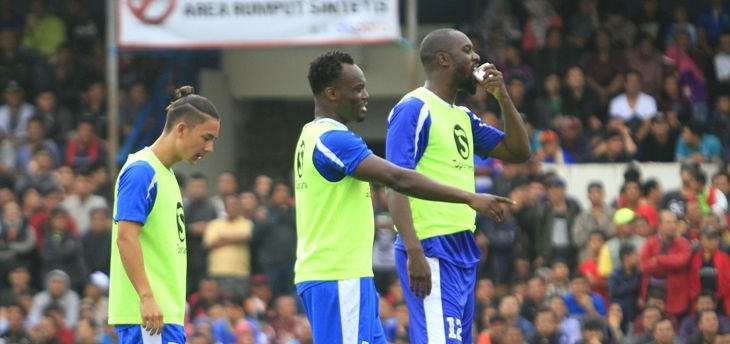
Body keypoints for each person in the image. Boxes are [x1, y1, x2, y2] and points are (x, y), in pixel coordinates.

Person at [294, 50, 514, 344]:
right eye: (357, 89)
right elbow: (398, 177)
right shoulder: (333, 139)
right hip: (337, 278)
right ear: (332, 93)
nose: (365, 95)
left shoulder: (310, 135)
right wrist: (469, 197)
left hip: (346, 276)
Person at [386, 28, 530, 344]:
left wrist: (502, 95)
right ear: (443, 59)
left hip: (462, 246)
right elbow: (394, 182)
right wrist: (414, 251)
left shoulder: (462, 116)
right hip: (430, 245)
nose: (477, 57)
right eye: (468, 50)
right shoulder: (414, 108)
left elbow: (519, 152)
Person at [108, 86, 220, 342]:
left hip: (165, 317)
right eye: (206, 137)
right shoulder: (141, 172)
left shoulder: (165, 174)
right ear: (181, 129)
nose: (210, 147)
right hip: (148, 320)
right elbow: (125, 238)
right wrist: (147, 297)